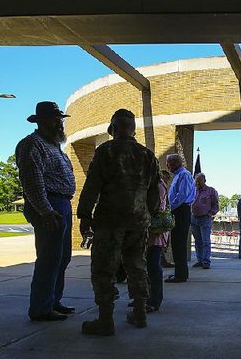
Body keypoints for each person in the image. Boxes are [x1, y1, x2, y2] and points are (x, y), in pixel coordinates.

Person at [76, 109, 159, 335]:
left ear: (112, 129)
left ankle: (105, 320)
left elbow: (92, 185)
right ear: (133, 130)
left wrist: (84, 215)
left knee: (104, 268)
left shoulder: (106, 151)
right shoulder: (146, 155)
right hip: (138, 221)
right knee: (137, 265)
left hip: (110, 221)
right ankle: (140, 313)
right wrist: (147, 216)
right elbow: (154, 194)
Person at [15, 101, 76, 322]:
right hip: (49, 205)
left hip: (62, 204)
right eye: (55, 119)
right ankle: (41, 308)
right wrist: (46, 211)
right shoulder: (32, 145)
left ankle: (53, 301)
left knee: (62, 257)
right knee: (49, 258)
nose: (60, 123)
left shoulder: (54, 146)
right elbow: (32, 182)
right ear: (42, 121)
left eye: (60, 119)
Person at [165, 153, 196, 283]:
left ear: (176, 162)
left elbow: (182, 195)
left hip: (181, 210)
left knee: (179, 243)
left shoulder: (183, 174)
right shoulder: (179, 175)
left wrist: (169, 208)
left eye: (169, 163)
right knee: (177, 243)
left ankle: (181, 275)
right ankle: (180, 272)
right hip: (178, 210)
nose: (168, 166)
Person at [145, 168, 171, 311]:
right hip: (152, 232)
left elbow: (153, 208)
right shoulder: (157, 184)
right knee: (150, 266)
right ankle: (148, 297)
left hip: (153, 232)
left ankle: (154, 300)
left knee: (153, 266)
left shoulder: (156, 185)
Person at [189, 172, 219, 269]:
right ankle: (200, 260)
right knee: (198, 241)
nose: (197, 183)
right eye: (196, 181)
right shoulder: (193, 190)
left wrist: (210, 213)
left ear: (204, 181)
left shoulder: (211, 191)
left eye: (199, 181)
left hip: (205, 218)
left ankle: (206, 261)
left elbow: (216, 205)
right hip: (194, 218)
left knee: (206, 241)